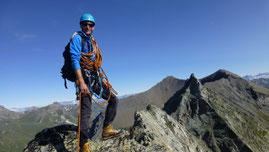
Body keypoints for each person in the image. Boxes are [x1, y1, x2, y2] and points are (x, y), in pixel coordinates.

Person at [69, 13, 123, 152]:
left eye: (90, 25)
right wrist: (81, 82)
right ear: (81, 25)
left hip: (94, 78)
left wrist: (102, 79)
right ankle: (83, 145)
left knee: (113, 99)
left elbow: (95, 63)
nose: (88, 26)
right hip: (84, 79)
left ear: (93, 27)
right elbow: (75, 60)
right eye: (85, 24)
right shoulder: (77, 38)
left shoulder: (92, 41)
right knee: (86, 112)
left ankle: (106, 129)